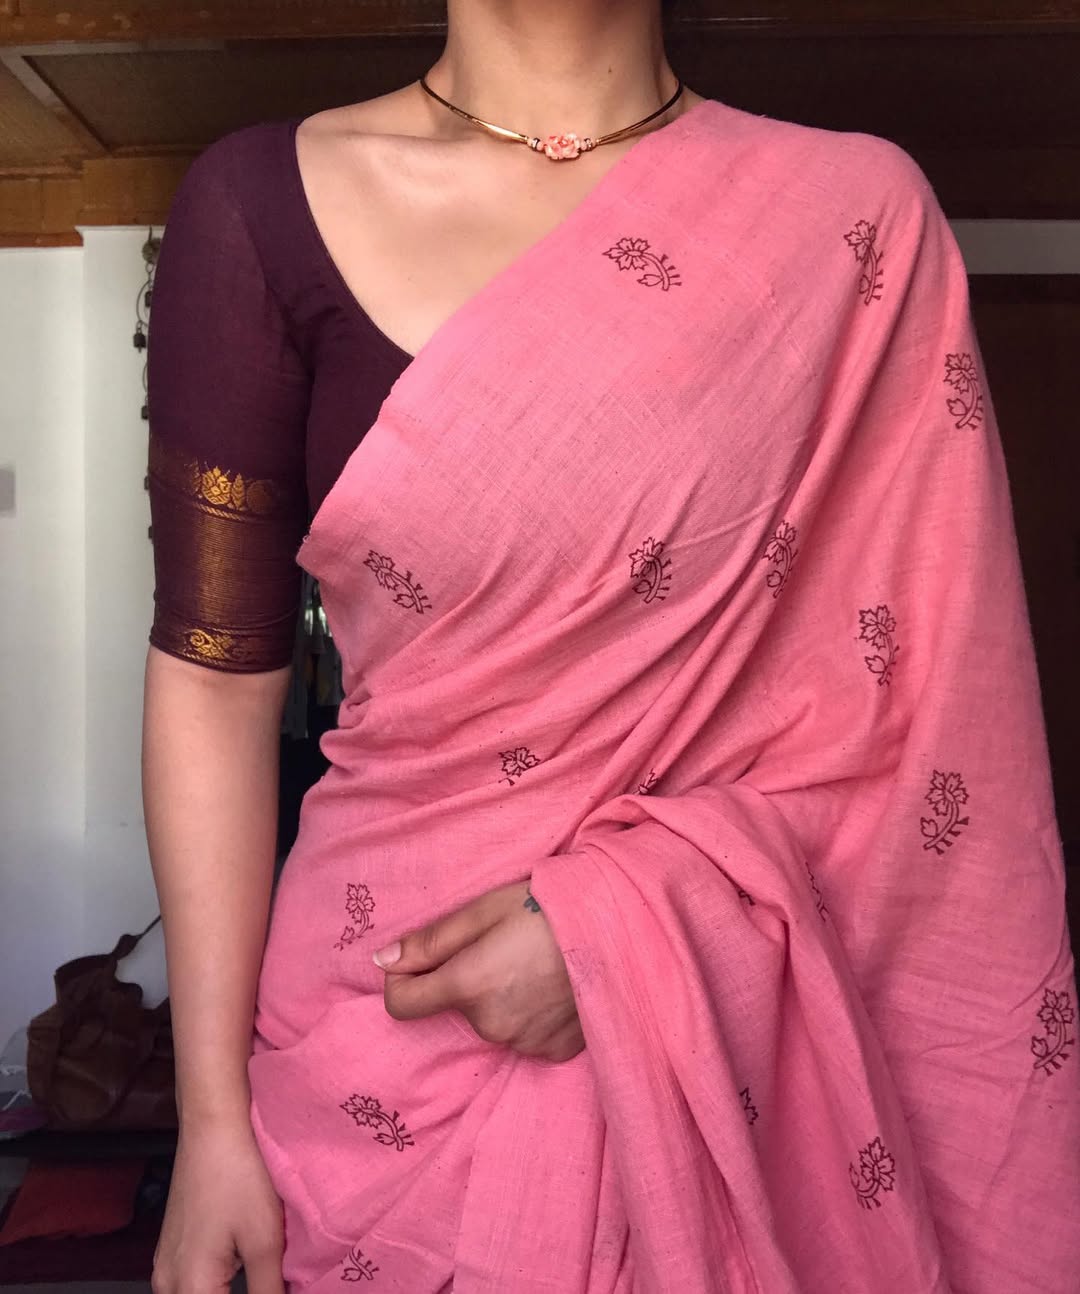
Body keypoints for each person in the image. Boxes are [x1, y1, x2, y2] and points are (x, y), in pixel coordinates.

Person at [142, 2, 1080, 1291]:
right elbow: (212, 683)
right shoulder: (261, 206)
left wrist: (613, 929)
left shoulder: (852, 221)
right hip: (376, 1047)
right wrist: (208, 1120)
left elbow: (922, 739)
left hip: (742, 1066)